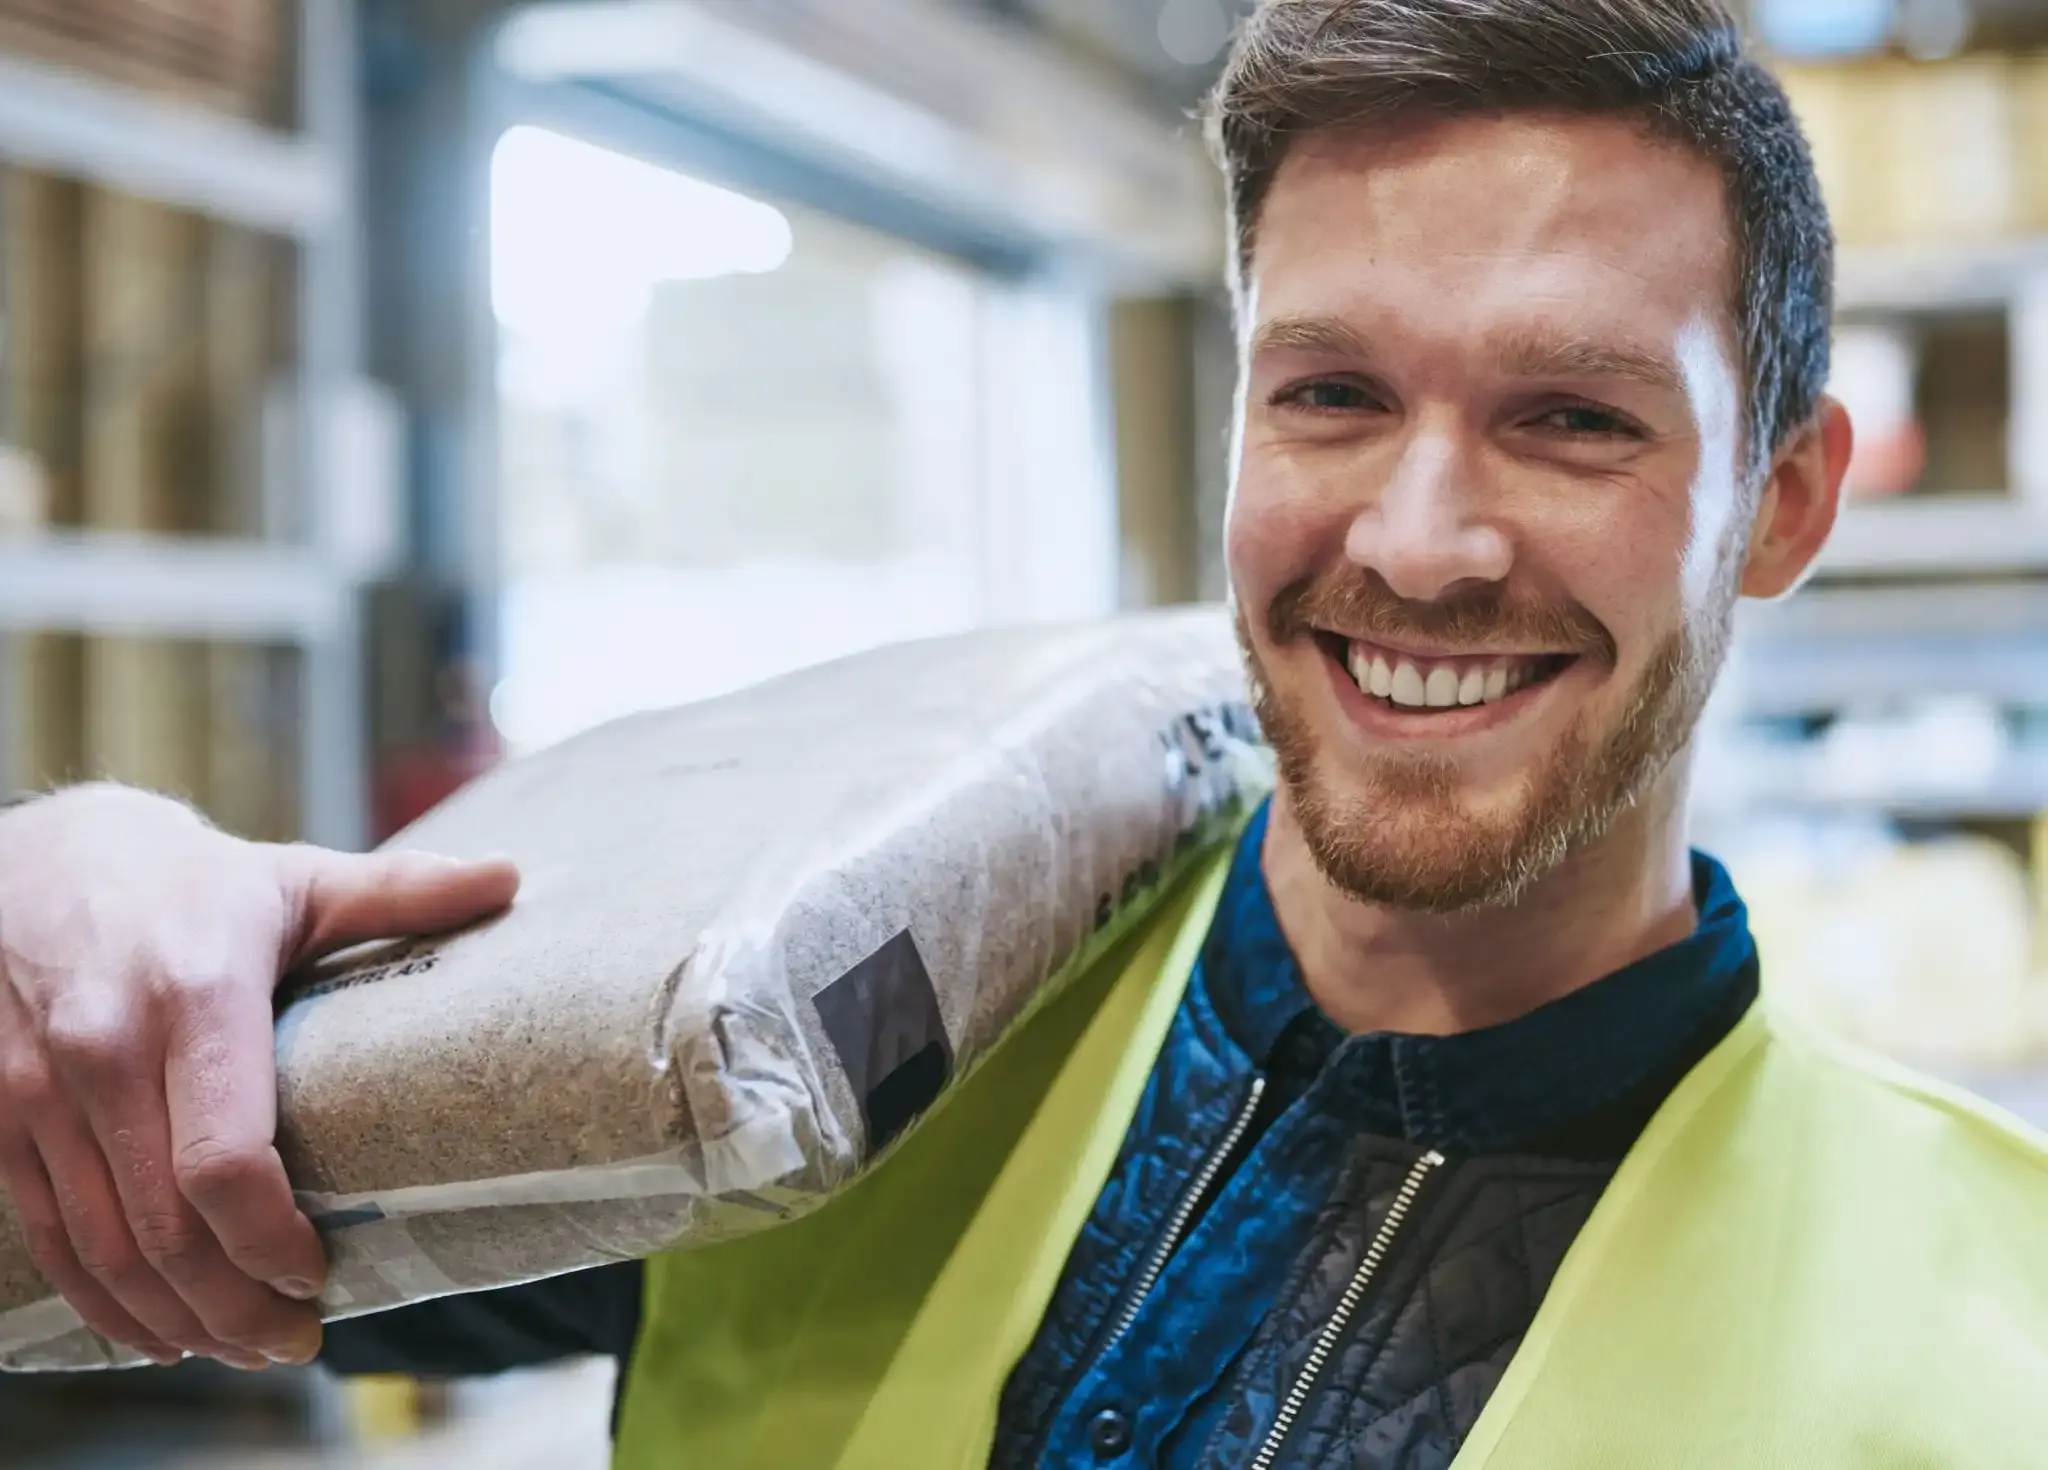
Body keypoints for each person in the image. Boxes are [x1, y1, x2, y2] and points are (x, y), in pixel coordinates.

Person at [5, 0, 2047, 1464]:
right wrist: (78, 882)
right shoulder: (828, 1021)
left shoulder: (1996, 1336)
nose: (1418, 546)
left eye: (1572, 417)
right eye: (1330, 394)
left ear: (1782, 501)